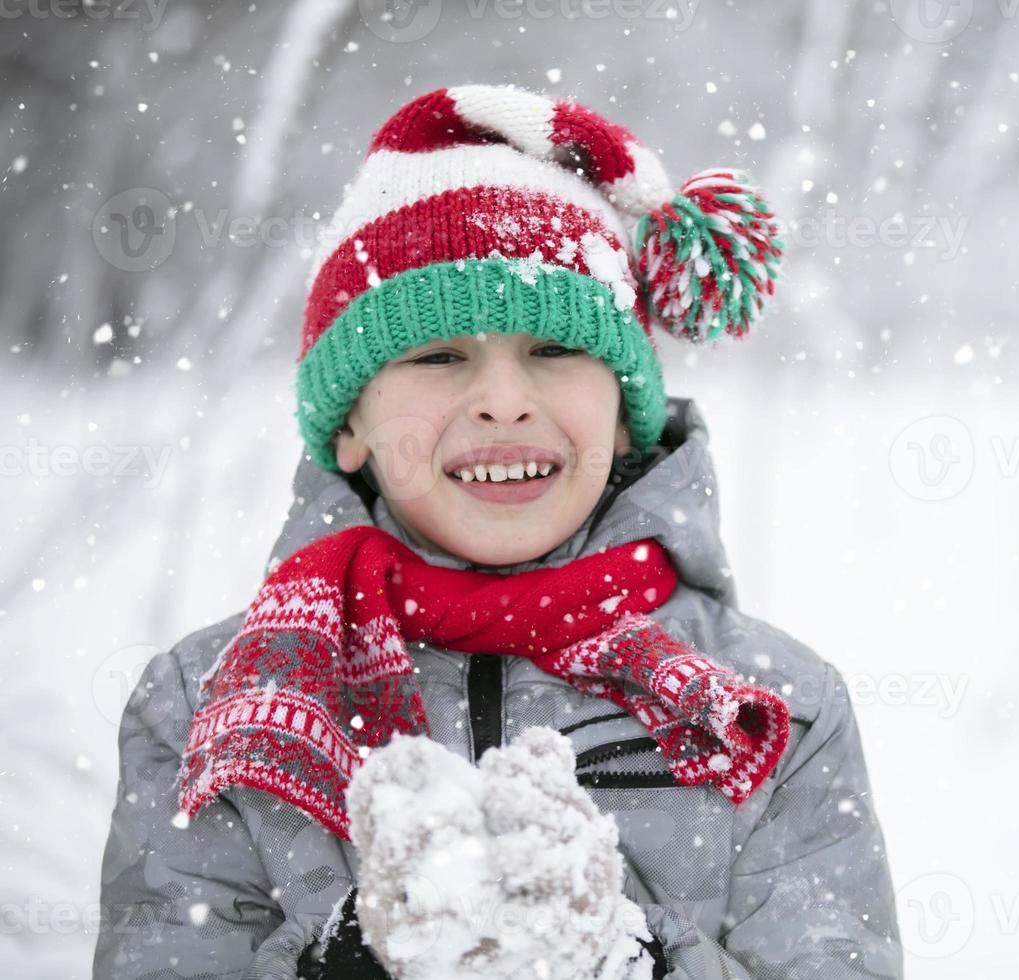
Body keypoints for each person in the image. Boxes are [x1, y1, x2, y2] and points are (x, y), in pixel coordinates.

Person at [92, 82, 902, 980]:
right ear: (349, 425)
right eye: (439, 357)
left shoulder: (776, 711)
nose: (505, 401)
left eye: (555, 351)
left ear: (627, 410)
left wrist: (643, 965)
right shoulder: (206, 709)